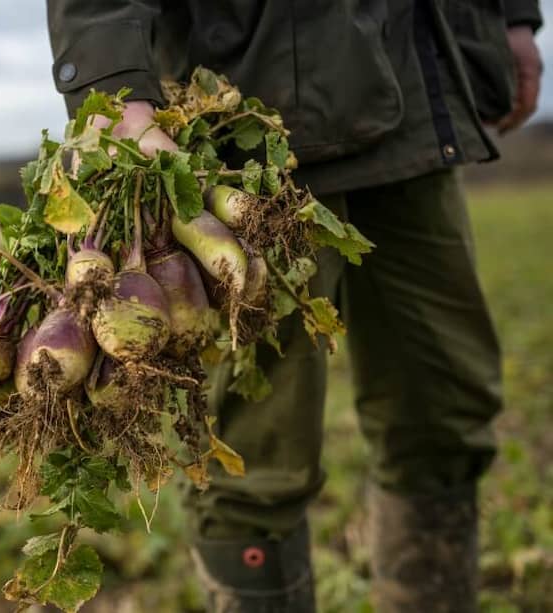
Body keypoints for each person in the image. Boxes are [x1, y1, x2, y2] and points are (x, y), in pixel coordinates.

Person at [46, 1, 544, 612]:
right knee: (254, 462)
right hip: (249, 131)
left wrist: (514, 17)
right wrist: (112, 84)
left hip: (419, 95)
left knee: (443, 415)